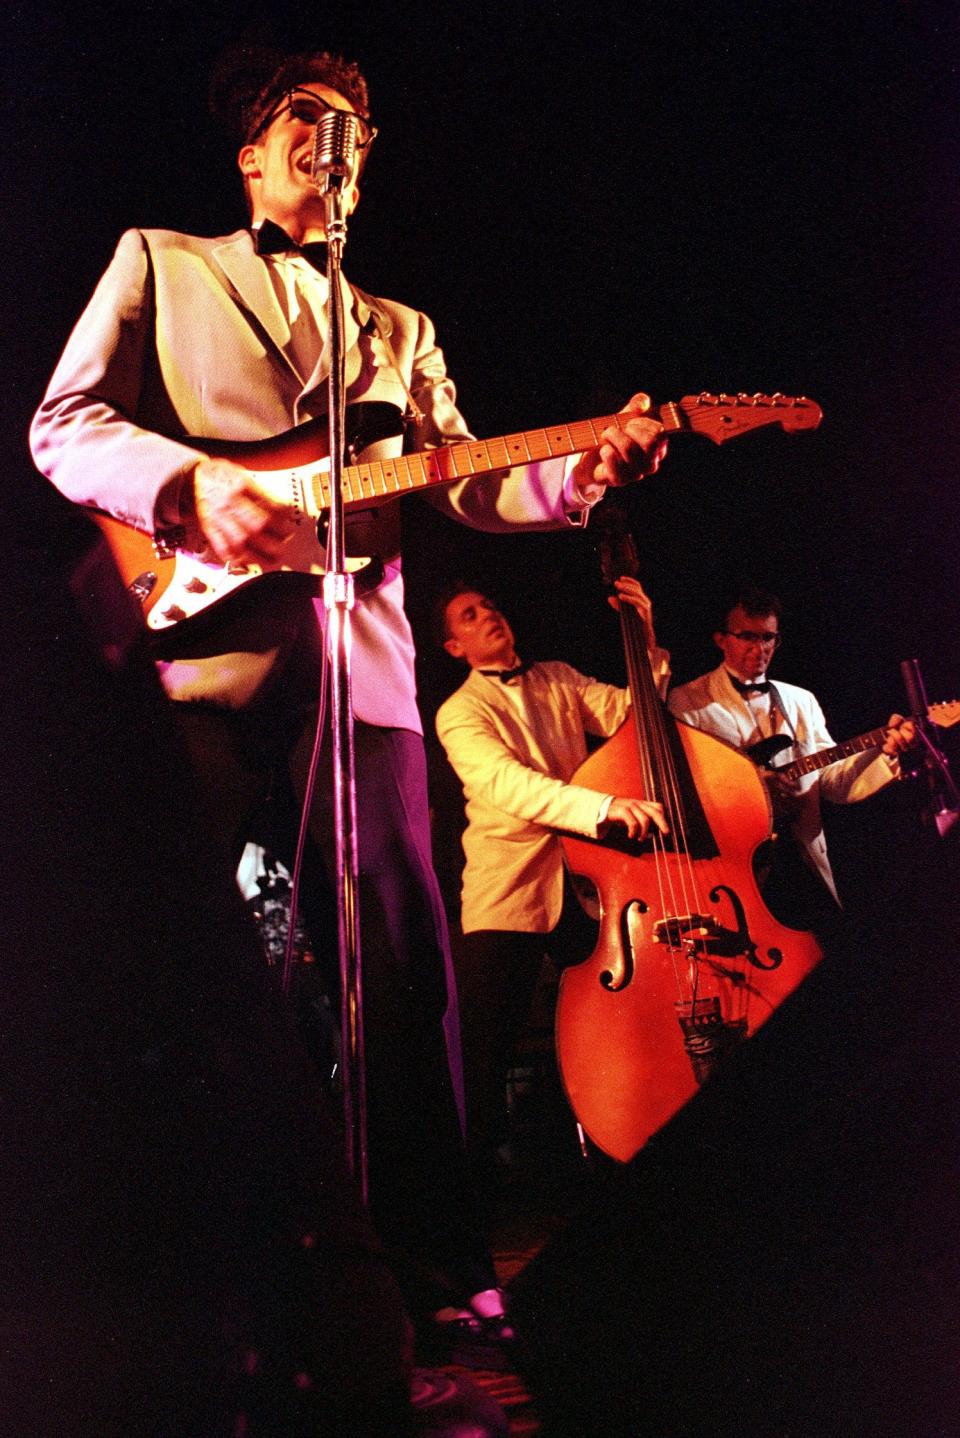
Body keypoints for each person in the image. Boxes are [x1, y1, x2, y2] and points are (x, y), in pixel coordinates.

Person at [28, 43, 667, 1360]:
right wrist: (201, 491)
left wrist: (583, 473)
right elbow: (65, 424)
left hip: (361, 668)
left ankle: (436, 1268)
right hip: (198, 650)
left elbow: (464, 481)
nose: (341, 142)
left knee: (405, 962)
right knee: (177, 945)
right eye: (312, 121)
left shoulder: (400, 329)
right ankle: (151, 1262)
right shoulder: (164, 259)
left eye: (357, 130)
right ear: (254, 152)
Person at [434, 575, 669, 1184]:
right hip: (507, 888)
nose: (488, 614)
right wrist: (602, 808)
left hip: (586, 884)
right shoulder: (459, 711)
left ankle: (627, 1149)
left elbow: (631, 715)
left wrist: (642, 635)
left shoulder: (558, 677)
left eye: (489, 602)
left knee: (621, 1019)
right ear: (454, 647)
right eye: (468, 615)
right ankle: (470, 1194)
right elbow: (507, 785)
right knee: (484, 1052)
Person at [666, 585, 916, 927]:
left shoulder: (801, 701)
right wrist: (753, 787)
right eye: (748, 637)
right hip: (738, 872)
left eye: (769, 638)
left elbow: (831, 780)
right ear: (721, 639)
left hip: (801, 860)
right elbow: (684, 794)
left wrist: (883, 752)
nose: (761, 649)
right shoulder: (687, 703)